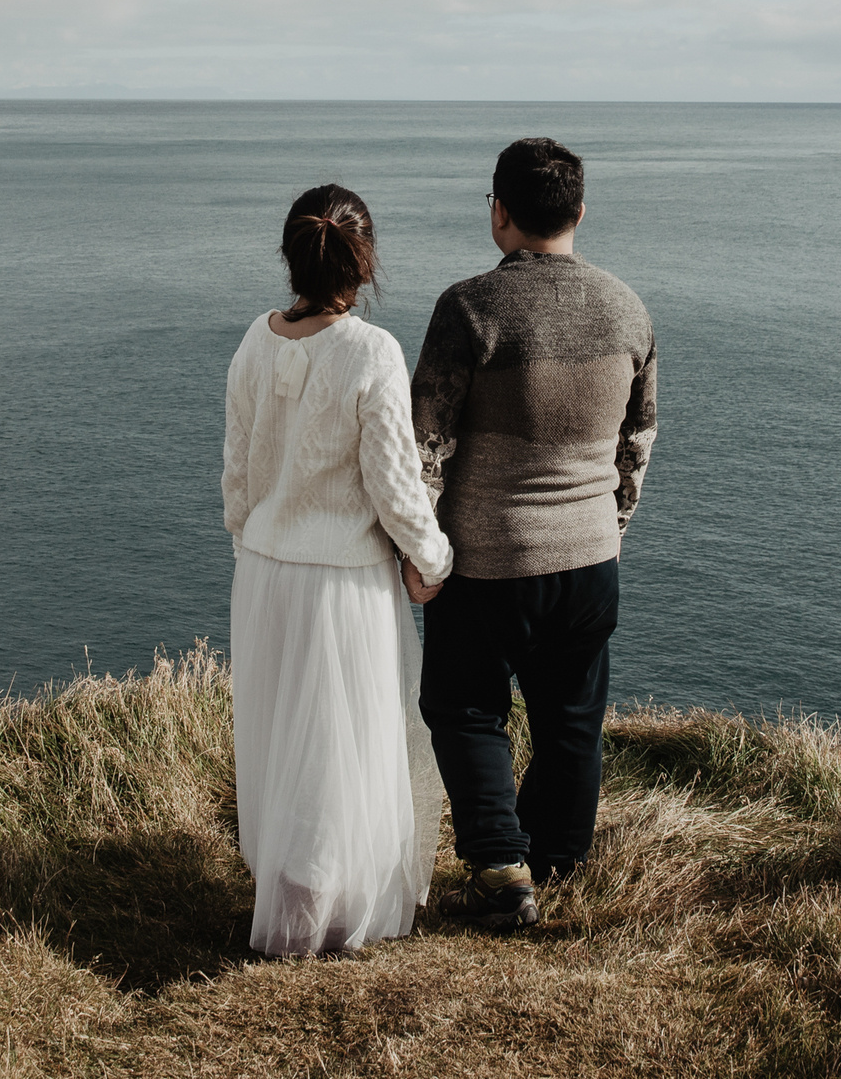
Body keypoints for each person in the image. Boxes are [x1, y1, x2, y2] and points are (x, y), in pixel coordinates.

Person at [410, 137, 658, 931]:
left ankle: (501, 869)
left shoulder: (470, 307)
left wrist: (422, 550)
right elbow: (637, 442)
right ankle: (558, 857)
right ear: (580, 211)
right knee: (571, 717)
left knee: (464, 707)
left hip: (487, 558)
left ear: (499, 212)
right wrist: (609, 526)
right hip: (590, 557)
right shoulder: (628, 308)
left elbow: (425, 442)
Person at [222, 184, 457, 956]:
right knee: (337, 749)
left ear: (290, 256)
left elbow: (237, 474)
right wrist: (433, 556)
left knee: (281, 738)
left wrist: (253, 544)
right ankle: (319, 915)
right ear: (365, 262)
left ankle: (295, 897)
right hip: (341, 580)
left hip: (264, 570)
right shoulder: (371, 351)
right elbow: (394, 483)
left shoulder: (253, 341)